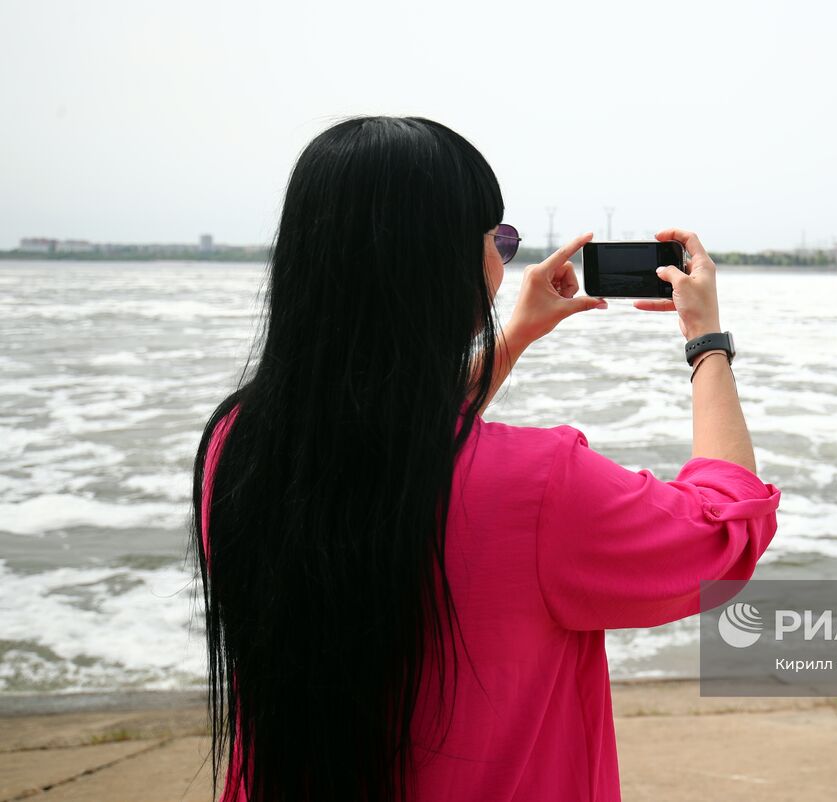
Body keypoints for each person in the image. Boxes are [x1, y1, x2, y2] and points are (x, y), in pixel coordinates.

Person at [191, 116, 780, 801]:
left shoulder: (237, 447)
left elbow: (391, 435)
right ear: (443, 265)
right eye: (499, 240)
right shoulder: (540, 486)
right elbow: (724, 531)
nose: (504, 259)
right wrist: (707, 340)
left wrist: (519, 332)